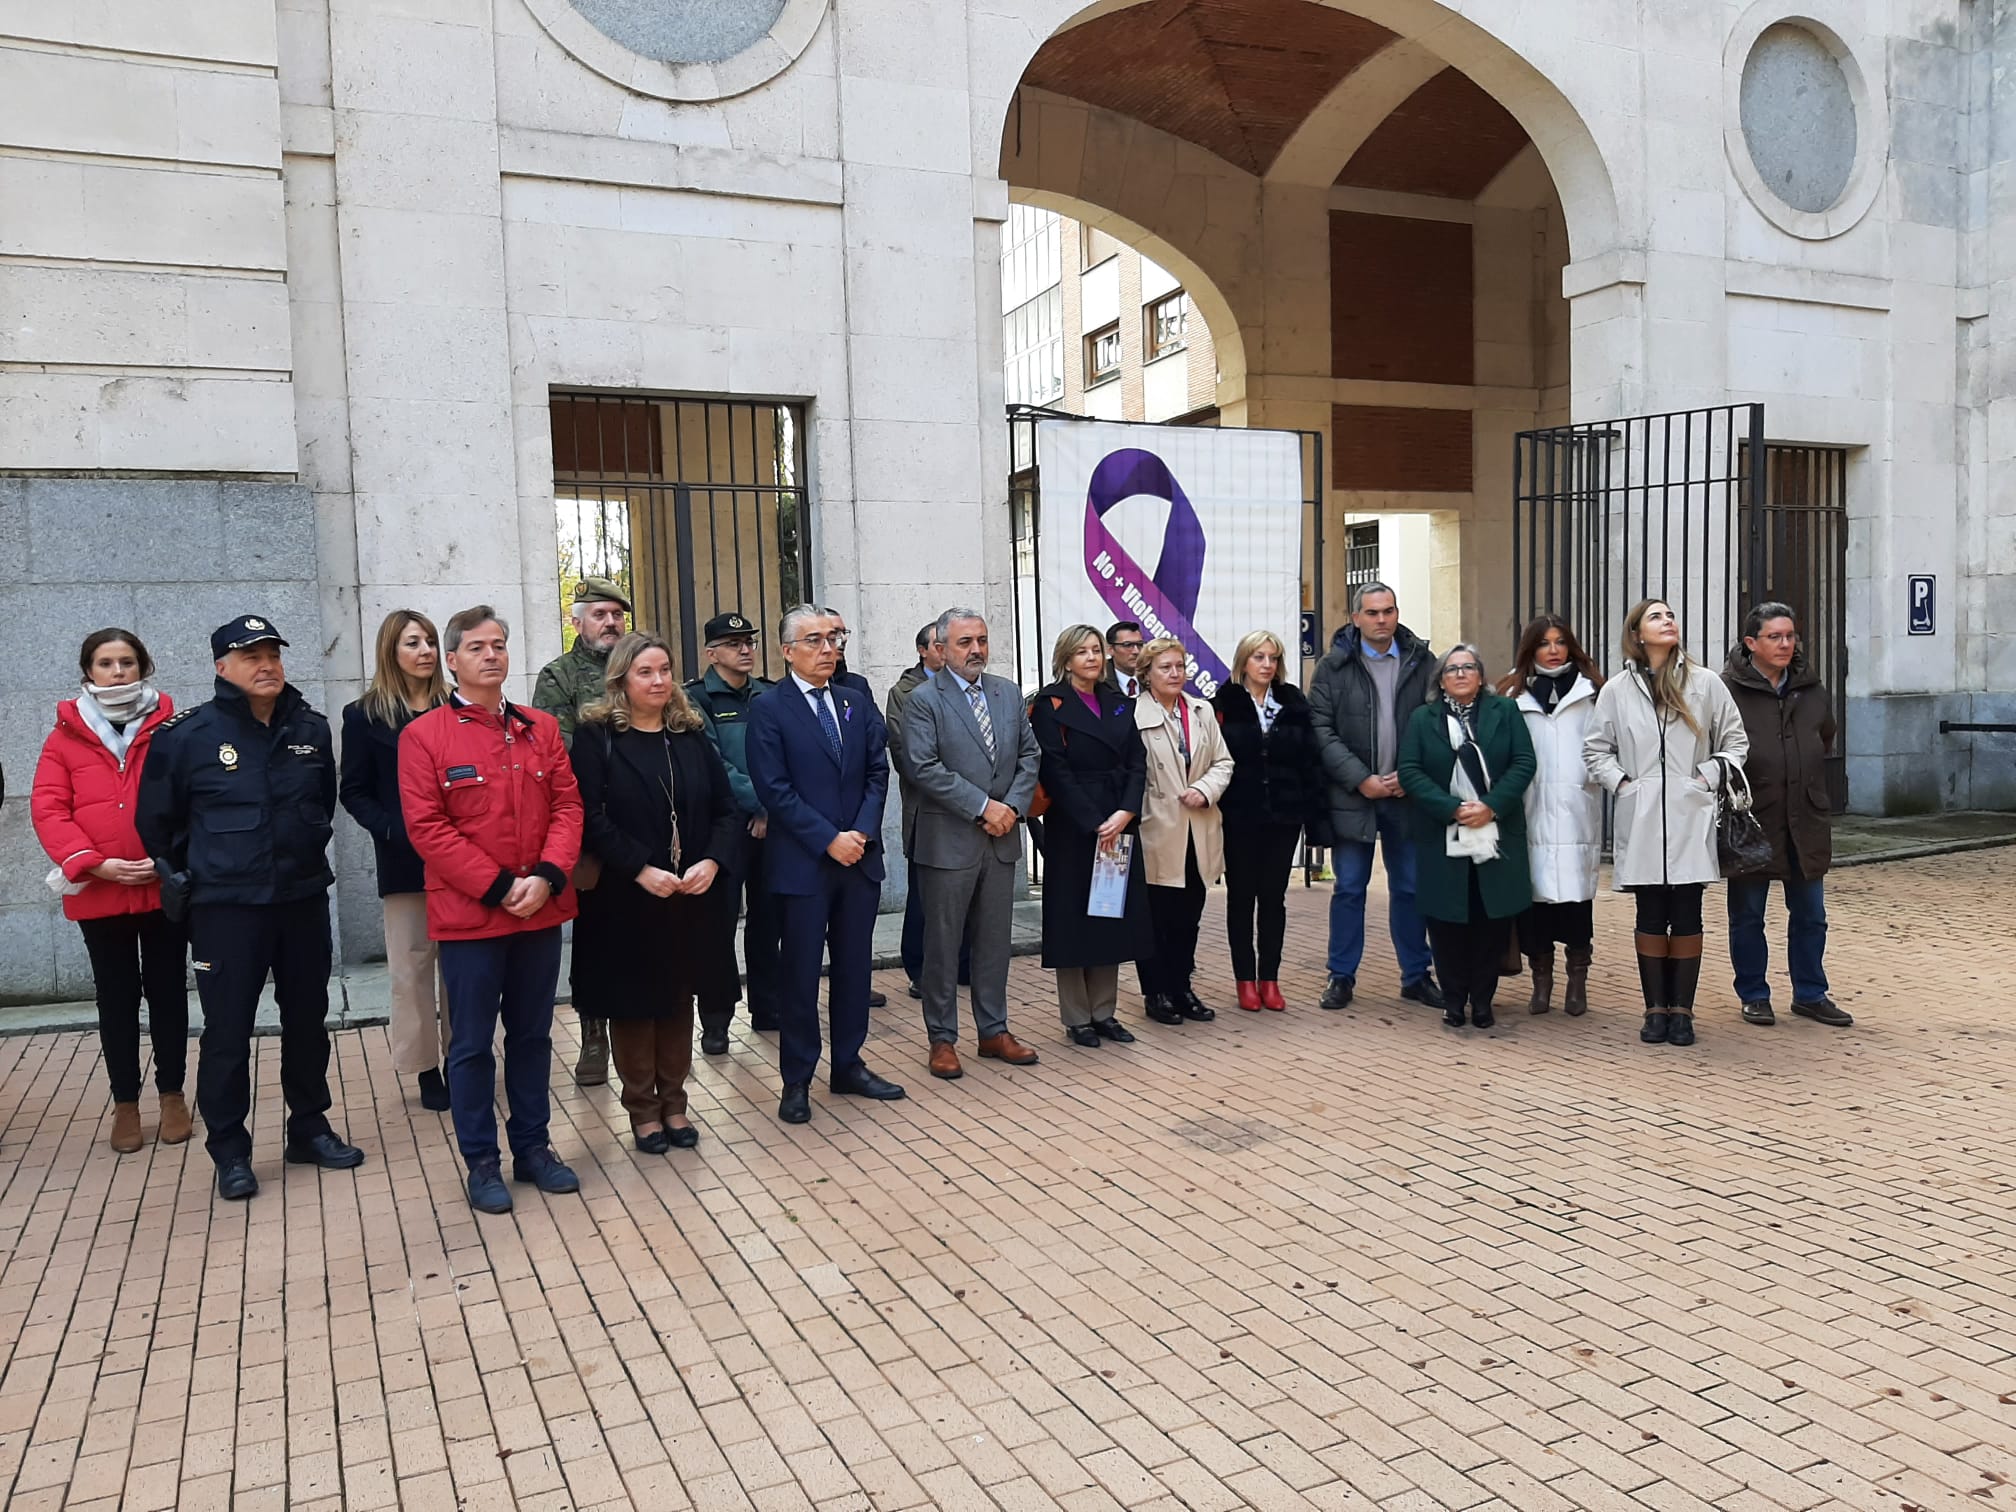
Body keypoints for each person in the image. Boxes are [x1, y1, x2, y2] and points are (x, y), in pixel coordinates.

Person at [136, 615, 364, 1200]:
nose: (266, 665)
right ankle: (231, 1151)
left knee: (308, 1023)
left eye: (272, 653)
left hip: (301, 900)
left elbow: (322, 803)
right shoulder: (185, 736)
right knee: (228, 1033)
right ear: (221, 667)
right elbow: (155, 825)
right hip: (226, 910)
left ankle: (309, 1128)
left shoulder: (309, 727)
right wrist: (192, 875)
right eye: (250, 655)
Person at [400, 606, 584, 1213]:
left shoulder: (540, 729)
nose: (491, 655)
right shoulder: (424, 737)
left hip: (539, 909)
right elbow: (428, 829)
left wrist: (549, 876)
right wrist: (501, 885)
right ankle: (482, 1162)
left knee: (533, 1036)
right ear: (452, 660)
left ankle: (533, 1149)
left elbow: (567, 807)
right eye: (477, 647)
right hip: (472, 918)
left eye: (499, 644)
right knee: (472, 1045)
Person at [572, 633, 741, 1151]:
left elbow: (726, 810)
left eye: (665, 670)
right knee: (632, 1004)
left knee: (676, 999)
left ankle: (675, 1104)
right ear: (621, 678)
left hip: (688, 896)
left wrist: (712, 860)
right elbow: (589, 818)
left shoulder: (688, 734)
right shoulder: (597, 735)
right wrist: (640, 869)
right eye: (645, 672)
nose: (659, 680)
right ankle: (642, 1109)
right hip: (624, 898)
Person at [744, 605, 907, 1123]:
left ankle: (849, 1064)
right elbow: (775, 788)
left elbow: (878, 772)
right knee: (800, 973)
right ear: (787, 651)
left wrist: (858, 832)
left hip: (857, 861)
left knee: (855, 969)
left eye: (833, 639)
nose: (828, 649)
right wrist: (828, 839)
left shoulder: (855, 702)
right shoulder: (769, 708)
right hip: (804, 865)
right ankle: (797, 1079)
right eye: (814, 641)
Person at [32, 628, 189, 1153]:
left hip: (160, 885)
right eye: (106, 662)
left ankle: (172, 1095)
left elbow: (196, 797)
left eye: (127, 661)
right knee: (116, 999)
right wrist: (94, 864)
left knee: (167, 991)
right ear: (88, 672)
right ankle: (126, 1102)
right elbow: (49, 807)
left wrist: (166, 856)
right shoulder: (63, 737)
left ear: (144, 667)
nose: (118, 671)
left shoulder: (173, 727)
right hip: (99, 892)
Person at [1584, 598, 1749, 1048]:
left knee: (1688, 913)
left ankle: (1683, 1011)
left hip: (1688, 814)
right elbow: (1596, 749)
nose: (1668, 621)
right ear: (1637, 633)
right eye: (1656, 616)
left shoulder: (1706, 683)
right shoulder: (1618, 690)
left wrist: (1706, 776)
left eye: (1671, 615)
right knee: (1651, 914)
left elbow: (1736, 740)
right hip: (1641, 816)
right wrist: (1622, 785)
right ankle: (1655, 1007)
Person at [902, 608, 1043, 1079]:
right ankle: (941, 1039)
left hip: (1001, 840)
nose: (976, 650)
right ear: (941, 648)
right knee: (942, 945)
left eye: (981, 639)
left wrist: (1014, 808)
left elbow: (1030, 753)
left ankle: (993, 1031)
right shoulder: (924, 699)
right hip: (949, 841)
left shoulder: (1006, 693)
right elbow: (922, 767)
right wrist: (985, 807)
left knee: (993, 942)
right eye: (965, 642)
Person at [1309, 583, 1444, 1011]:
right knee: (1349, 887)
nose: (1381, 619)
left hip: (1408, 795)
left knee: (1410, 887)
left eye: (1388, 611)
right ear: (1356, 618)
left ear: (1397, 613)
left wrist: (1413, 773)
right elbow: (1320, 729)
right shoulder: (1333, 667)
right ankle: (1341, 976)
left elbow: (1439, 722)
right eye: (1372, 613)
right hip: (1355, 795)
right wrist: (1360, 778)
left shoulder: (1423, 662)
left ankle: (1416, 975)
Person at [339, 610, 451, 1109]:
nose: (425, 650)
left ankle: (465, 1057)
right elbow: (354, 790)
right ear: (391, 651)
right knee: (411, 968)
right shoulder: (363, 716)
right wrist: (389, 828)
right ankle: (426, 1068)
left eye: (429, 641)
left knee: (465, 969)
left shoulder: (460, 705)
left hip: (466, 860)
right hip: (405, 862)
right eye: (413, 643)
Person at [1721, 603, 1850, 1029]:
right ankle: (1754, 994)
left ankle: (1811, 994)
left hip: (1805, 818)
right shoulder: (1726, 690)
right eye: (1774, 637)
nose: (1785, 644)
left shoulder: (1811, 688)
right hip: (1753, 819)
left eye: (1790, 635)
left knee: (1812, 913)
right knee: (1748, 915)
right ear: (1750, 643)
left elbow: (1824, 737)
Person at [1398, 645, 1537, 1030]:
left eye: (1468, 668)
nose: (1460, 674)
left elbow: (1524, 761)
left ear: (1481, 675)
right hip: (1443, 833)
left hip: (1494, 830)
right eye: (1452, 669)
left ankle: (1483, 1000)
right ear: (1440, 680)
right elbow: (1409, 771)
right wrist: (1451, 808)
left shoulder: (1503, 712)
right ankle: (1454, 1000)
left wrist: (1491, 805)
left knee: (1489, 919)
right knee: (1447, 922)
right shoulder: (1423, 719)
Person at [1030, 626, 1150, 1046]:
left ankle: (1105, 1013)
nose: (1092, 658)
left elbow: (1138, 759)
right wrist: (1095, 821)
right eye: (1082, 651)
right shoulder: (1050, 704)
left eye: (1096, 650)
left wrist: (1125, 813)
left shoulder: (1118, 702)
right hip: (1074, 826)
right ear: (1066, 658)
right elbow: (1054, 768)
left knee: (1108, 916)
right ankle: (1077, 1017)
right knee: (1074, 920)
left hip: (1118, 820)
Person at [531, 575, 629, 1086]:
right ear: (577, 621)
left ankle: (641, 1027)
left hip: (644, 826)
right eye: (599, 614)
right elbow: (560, 754)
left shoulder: (641, 666)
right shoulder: (559, 676)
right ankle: (594, 1035)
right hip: (591, 826)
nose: (610, 623)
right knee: (592, 936)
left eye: (616, 615)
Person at [1211, 630, 1328, 1011]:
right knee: (1242, 898)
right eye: (1258, 657)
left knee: (1274, 899)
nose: (1266, 665)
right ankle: (1245, 980)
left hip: (1284, 813)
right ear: (1243, 661)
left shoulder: (1293, 702)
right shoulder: (1223, 703)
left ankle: (1270, 979)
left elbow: (1311, 762)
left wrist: (1315, 820)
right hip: (1240, 814)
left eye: (1272, 658)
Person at [1498, 616, 1604, 1016]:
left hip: (1577, 807)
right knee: (1535, 903)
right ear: (1531, 649)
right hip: (1530, 806)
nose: (1554, 650)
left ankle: (1577, 980)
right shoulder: (1511, 692)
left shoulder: (1593, 691)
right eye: (1544, 643)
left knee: (1577, 904)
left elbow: (1607, 743)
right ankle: (1541, 980)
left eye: (1561, 642)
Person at [685, 610, 781, 1054]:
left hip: (770, 826)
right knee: (716, 928)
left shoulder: (769, 694)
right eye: (732, 644)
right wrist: (759, 803)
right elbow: (712, 765)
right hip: (723, 829)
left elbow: (785, 755)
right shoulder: (696, 699)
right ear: (711, 653)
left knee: (768, 921)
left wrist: (770, 807)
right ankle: (718, 1019)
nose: (745, 650)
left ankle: (768, 1007)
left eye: (749, 642)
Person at [1133, 636, 1235, 1025]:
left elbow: (1223, 762)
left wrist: (1203, 790)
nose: (1175, 674)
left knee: (1189, 917)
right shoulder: (1134, 715)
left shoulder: (1201, 710)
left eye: (1180, 666)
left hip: (1199, 827)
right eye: (1165, 667)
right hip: (1157, 829)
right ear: (1147, 674)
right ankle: (1156, 992)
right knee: (1158, 917)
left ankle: (1182, 987)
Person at [820, 605, 887, 1009]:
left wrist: (860, 830)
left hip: (859, 839)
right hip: (813, 841)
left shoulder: (856, 689)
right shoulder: (779, 699)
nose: (834, 645)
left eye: (841, 636)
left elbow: (875, 751)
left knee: (855, 941)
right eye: (826, 636)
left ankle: (856, 992)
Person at [887, 620, 957, 1000]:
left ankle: (961, 964)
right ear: (923, 651)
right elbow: (907, 754)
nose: (947, 651)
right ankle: (918, 967)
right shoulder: (905, 693)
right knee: (923, 896)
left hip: (969, 812)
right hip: (926, 808)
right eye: (939, 645)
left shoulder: (971, 687)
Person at [1104, 621, 1146, 699]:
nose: (1136, 651)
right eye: (1128, 645)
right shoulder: (1099, 681)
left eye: (1140, 645)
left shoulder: (1152, 678)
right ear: (1110, 650)